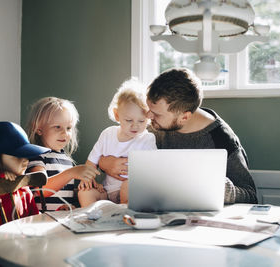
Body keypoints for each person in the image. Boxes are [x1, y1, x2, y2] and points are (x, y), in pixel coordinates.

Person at [100, 68, 257, 204]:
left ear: (184, 117)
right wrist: (104, 163)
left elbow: (250, 196)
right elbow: (115, 147)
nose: (148, 116)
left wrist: (216, 187)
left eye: (156, 114)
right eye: (149, 109)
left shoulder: (222, 139)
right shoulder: (154, 125)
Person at [0, 121, 50, 267]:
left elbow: (34, 223)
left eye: (27, 154)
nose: (26, 160)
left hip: (20, 252)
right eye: (17, 155)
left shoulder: (23, 189)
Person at [79, 78, 156, 207]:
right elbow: (92, 162)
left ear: (148, 118)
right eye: (129, 120)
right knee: (84, 192)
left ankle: (124, 211)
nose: (135, 126)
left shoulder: (147, 139)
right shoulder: (107, 134)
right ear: (117, 115)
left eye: (141, 121)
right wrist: (88, 179)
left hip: (132, 190)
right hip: (106, 190)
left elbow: (153, 168)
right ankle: (90, 217)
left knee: (129, 185)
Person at [25, 97, 100, 210]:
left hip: (60, 219)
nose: (65, 133)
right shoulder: (36, 156)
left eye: (69, 128)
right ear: (39, 129)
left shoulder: (66, 159)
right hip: (40, 221)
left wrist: (88, 187)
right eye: (57, 127)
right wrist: (70, 173)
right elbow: (39, 190)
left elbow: (63, 193)